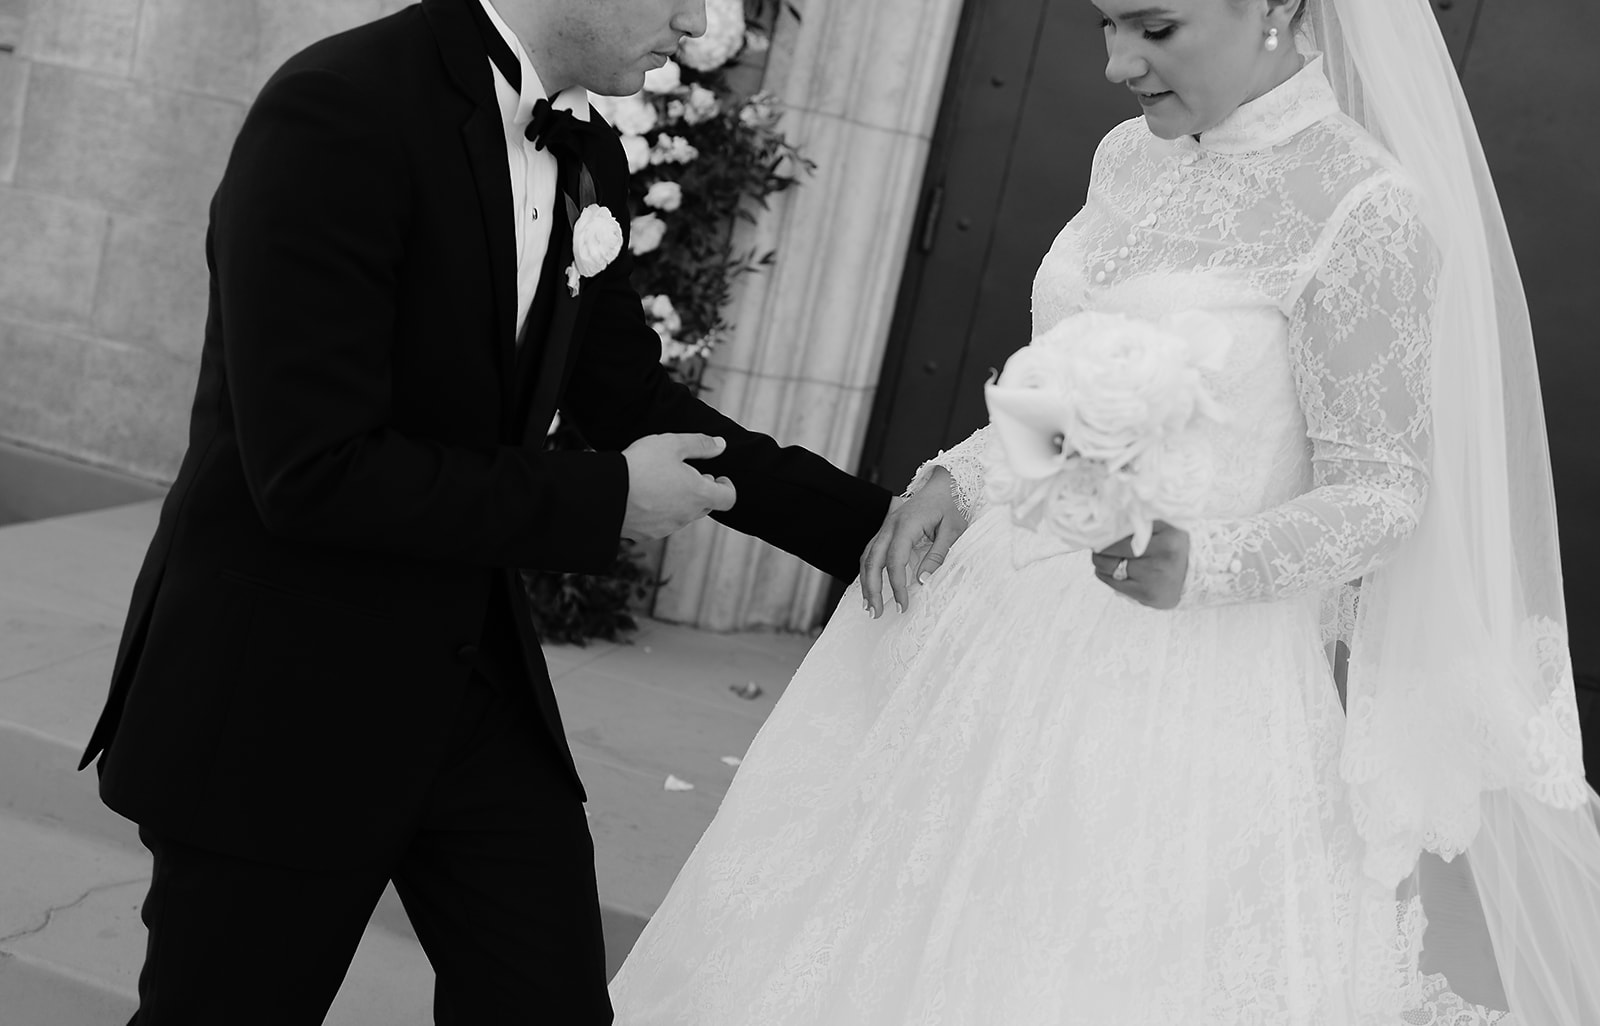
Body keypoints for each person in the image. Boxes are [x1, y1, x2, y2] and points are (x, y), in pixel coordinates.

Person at [608, 0, 1600, 1021]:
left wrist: (1204, 561)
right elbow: (1069, 400)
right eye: (1105, 25)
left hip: (1184, 695)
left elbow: (1382, 492)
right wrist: (964, 477)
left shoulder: (1363, 206)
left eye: (1155, 29)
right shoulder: (1128, 156)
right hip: (982, 643)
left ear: (1278, 7)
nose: (1120, 64)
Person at [75, 0, 892, 1021]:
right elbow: (313, 470)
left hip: (467, 686)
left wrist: (870, 525)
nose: (697, 23)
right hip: (283, 697)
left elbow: (632, 400)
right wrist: (605, 498)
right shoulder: (338, 108)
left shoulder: (588, 150)